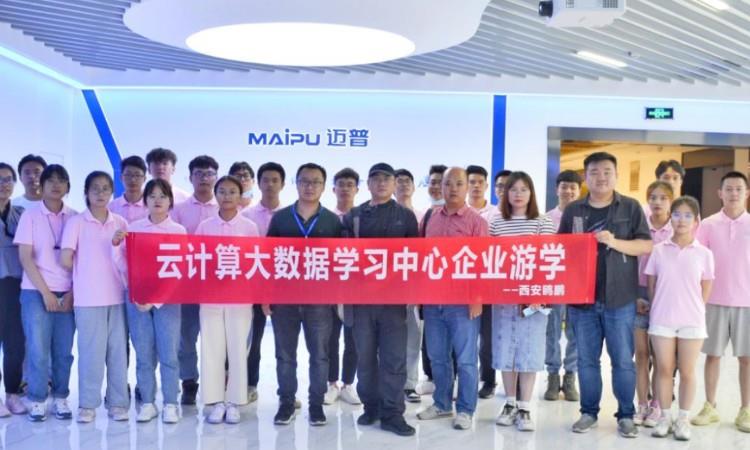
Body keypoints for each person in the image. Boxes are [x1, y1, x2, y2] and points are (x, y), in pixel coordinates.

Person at [559, 152, 652, 438]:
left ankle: (626, 414)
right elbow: (560, 249)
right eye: (595, 172)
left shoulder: (631, 207)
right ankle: (588, 412)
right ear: (586, 177)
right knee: (587, 360)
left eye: (607, 171)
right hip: (582, 300)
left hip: (620, 298)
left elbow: (645, 245)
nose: (601, 177)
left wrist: (614, 242)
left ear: (616, 175)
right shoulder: (573, 210)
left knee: (622, 360)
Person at [342, 162, 419, 436]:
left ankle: (392, 413)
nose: (382, 183)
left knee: (394, 359)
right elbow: (344, 258)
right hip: (361, 303)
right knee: (365, 359)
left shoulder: (405, 217)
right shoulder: (354, 216)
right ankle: (371, 407)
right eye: (376, 179)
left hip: (393, 303)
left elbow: (415, 258)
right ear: (368, 184)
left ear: (394, 183)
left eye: (387, 178)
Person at [265, 163, 341, 426]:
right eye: (305, 181)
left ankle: (316, 405)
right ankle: (286, 403)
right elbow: (267, 259)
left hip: (319, 301)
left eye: (316, 182)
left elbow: (340, 263)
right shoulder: (281, 218)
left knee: (319, 355)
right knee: (285, 355)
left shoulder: (332, 220)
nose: (310, 186)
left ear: (324, 186)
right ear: (296, 184)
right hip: (284, 300)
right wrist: (266, 295)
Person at [416, 167, 486, 430]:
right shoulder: (430, 218)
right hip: (433, 300)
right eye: (448, 183)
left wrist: (477, 297)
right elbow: (421, 257)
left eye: (459, 183)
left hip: (463, 302)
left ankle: (466, 409)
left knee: (466, 359)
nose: (453, 189)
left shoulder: (476, 222)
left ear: (467, 187)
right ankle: (442, 404)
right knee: (437, 357)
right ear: (440, 187)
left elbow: (482, 262)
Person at [112, 179, 185, 424]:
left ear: (170, 201)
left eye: (162, 196)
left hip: (168, 301)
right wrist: (116, 245)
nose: (157, 200)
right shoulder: (134, 228)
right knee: (143, 354)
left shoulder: (178, 231)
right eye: (152, 196)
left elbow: (179, 271)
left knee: (169, 354)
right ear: (145, 201)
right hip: (137, 298)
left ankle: (171, 403)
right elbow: (124, 265)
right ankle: (148, 403)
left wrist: (156, 300)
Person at [60, 171, 129, 423]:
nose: (101, 193)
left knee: (118, 353)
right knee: (91, 354)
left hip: (117, 296)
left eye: (105, 188)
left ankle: (118, 403)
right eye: (95, 188)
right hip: (88, 299)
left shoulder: (120, 222)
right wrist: (85, 269)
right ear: (86, 193)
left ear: (112, 192)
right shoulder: (77, 222)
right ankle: (88, 405)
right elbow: (65, 259)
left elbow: (129, 259)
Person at [491, 171, 556, 432]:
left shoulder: (543, 221)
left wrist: (540, 294)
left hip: (534, 297)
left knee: (530, 350)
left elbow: (549, 258)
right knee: (506, 349)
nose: (518, 194)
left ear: (531, 193)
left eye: (523, 189)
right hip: (503, 296)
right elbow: (489, 257)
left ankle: (525, 407)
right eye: (513, 189)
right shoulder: (496, 222)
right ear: (505, 193)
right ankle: (509, 403)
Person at [645, 196, 714, 441]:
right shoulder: (658, 250)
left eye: (687, 215)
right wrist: (660, 307)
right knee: (664, 369)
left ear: (696, 221)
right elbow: (651, 286)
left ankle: (683, 419)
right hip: (662, 319)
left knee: (687, 371)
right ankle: (664, 416)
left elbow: (705, 289)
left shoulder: (704, 254)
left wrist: (692, 309)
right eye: (676, 214)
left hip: (692, 321)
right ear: (670, 219)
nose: (681, 220)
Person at [14, 164, 76, 422]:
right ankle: (37, 399)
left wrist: (71, 293)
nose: (56, 185)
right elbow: (25, 258)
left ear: (68, 186)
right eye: (51, 180)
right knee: (38, 350)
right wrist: (47, 293)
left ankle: (61, 397)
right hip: (35, 292)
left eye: (62, 180)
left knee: (63, 351)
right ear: (42, 185)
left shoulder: (75, 217)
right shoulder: (30, 216)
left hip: (68, 293)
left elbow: (82, 261)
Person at [195, 175, 258, 424]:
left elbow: (255, 262)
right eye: (222, 191)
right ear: (215, 194)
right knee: (212, 349)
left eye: (232, 191)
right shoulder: (205, 226)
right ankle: (215, 401)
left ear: (240, 196)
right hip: (210, 298)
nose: (227, 196)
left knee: (238, 350)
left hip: (240, 298)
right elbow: (196, 259)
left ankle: (234, 401)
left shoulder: (249, 227)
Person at [692, 171, 750, 433]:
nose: (734, 193)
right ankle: (710, 406)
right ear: (720, 193)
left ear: (747, 193)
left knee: (747, 359)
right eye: (729, 189)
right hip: (713, 301)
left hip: (747, 303)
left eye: (739, 189)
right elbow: (697, 262)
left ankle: (746, 409)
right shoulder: (708, 224)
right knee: (712, 356)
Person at [171, 155, 220, 405]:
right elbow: (171, 243)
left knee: (215, 337)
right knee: (187, 337)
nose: (204, 178)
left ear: (216, 177)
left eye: (209, 173)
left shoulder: (226, 207)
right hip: (187, 284)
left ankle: (216, 383)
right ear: (190, 177)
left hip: (217, 286)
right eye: (199, 173)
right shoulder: (178, 209)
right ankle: (189, 381)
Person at [242, 162, 286, 404]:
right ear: (257, 184)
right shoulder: (246, 217)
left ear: (283, 184)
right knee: (253, 341)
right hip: (253, 287)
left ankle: (287, 392)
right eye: (265, 180)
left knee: (286, 344)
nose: (270, 184)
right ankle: (250, 384)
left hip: (283, 288)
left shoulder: (291, 215)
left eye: (275, 180)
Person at [634, 181, 674, 427]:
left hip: (666, 296)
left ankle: (658, 404)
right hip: (638, 295)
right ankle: (641, 404)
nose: (657, 202)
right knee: (641, 354)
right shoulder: (639, 226)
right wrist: (634, 295)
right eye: (653, 197)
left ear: (671, 202)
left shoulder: (676, 229)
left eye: (663, 198)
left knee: (661, 357)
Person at [543, 170, 582, 402]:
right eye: (564, 186)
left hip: (577, 283)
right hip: (553, 282)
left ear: (579, 191)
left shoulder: (583, 217)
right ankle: (552, 376)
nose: (568, 191)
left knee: (575, 332)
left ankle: (570, 376)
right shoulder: (546, 219)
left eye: (573, 187)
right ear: (557, 189)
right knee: (552, 331)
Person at [325, 168, 361, 406]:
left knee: (353, 340)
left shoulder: (363, 217)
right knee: (329, 339)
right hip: (329, 288)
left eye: (350, 184)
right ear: (333, 189)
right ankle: (331, 384)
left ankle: (348, 384)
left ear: (357, 189)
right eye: (341, 184)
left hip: (356, 290)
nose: (345, 189)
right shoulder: (326, 218)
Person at [478, 168, 512, 399]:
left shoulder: (528, 216)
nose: (504, 190)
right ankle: (488, 381)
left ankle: (515, 386)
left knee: (513, 336)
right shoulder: (487, 217)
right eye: (500, 186)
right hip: (490, 285)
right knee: (488, 338)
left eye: (509, 186)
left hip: (515, 286)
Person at [394, 167, 426, 402]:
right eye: (399, 181)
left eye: (407, 181)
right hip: (387, 287)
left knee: (414, 337)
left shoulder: (423, 216)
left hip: (415, 285)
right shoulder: (382, 214)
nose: (403, 185)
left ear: (414, 187)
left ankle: (409, 384)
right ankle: (387, 382)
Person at [0, 163, 26, 416]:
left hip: (16, 286)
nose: (3, 185)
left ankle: (12, 394)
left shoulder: (21, 214)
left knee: (15, 343)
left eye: (8, 180)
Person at [109, 155, 148, 223]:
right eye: (128, 175)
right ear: (121, 177)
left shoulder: (152, 206)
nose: (133, 180)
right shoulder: (111, 208)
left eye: (137, 175)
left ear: (144, 178)